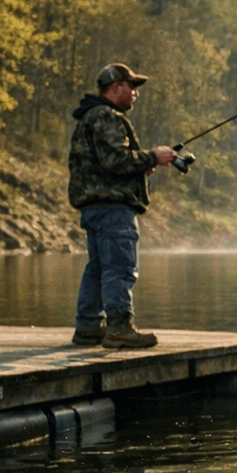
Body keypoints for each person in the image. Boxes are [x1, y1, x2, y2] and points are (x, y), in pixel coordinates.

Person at [67, 62, 175, 348]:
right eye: (132, 86)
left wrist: (141, 165)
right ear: (116, 87)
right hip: (112, 208)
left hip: (94, 207)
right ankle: (118, 328)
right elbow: (115, 160)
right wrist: (152, 156)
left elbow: (103, 163)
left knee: (99, 267)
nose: (136, 93)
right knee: (119, 266)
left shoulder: (89, 117)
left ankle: (89, 326)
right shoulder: (105, 116)